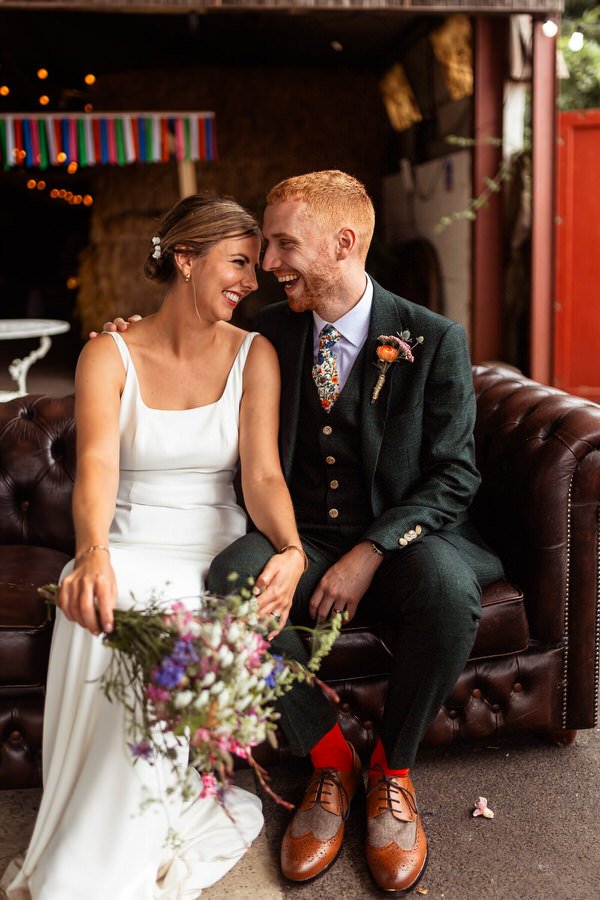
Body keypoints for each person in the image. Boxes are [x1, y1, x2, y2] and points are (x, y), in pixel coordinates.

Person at [81, 170, 505, 894]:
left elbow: (455, 476)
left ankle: (391, 773)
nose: (269, 265)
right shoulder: (264, 333)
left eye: (282, 245)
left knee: (448, 590)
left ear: (343, 245)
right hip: (301, 535)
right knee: (229, 579)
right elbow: (173, 346)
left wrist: (372, 552)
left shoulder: (433, 340)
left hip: (402, 542)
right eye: (264, 248)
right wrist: (121, 335)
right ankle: (330, 761)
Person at [1, 194, 309, 899]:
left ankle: (117, 847)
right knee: (106, 594)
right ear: (185, 259)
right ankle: (95, 848)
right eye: (238, 262)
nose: (252, 280)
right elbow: (98, 469)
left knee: (174, 606)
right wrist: (95, 552)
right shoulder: (106, 355)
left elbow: (261, 473)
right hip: (128, 540)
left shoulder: (254, 354)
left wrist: (289, 550)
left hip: (214, 545)